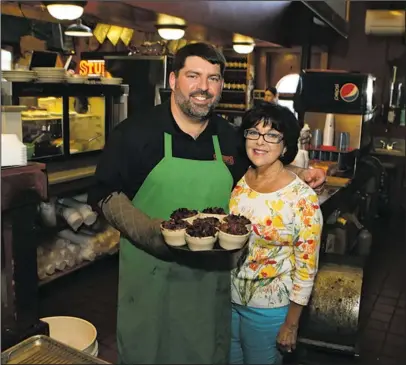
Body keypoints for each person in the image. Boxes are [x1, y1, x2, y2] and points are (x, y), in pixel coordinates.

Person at [87, 42, 325, 365]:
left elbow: (261, 163)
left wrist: (300, 173)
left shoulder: (228, 137)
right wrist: (150, 231)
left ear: (221, 86)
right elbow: (103, 194)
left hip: (208, 286)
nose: (203, 87)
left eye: (213, 78)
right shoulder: (135, 133)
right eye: (193, 76)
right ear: (173, 81)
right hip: (151, 281)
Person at [229, 103, 323, 365]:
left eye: (272, 135)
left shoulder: (302, 198)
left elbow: (307, 267)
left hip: (269, 310)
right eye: (254, 132)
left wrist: (291, 324)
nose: (261, 142)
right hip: (227, 300)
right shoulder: (240, 180)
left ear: (285, 146)